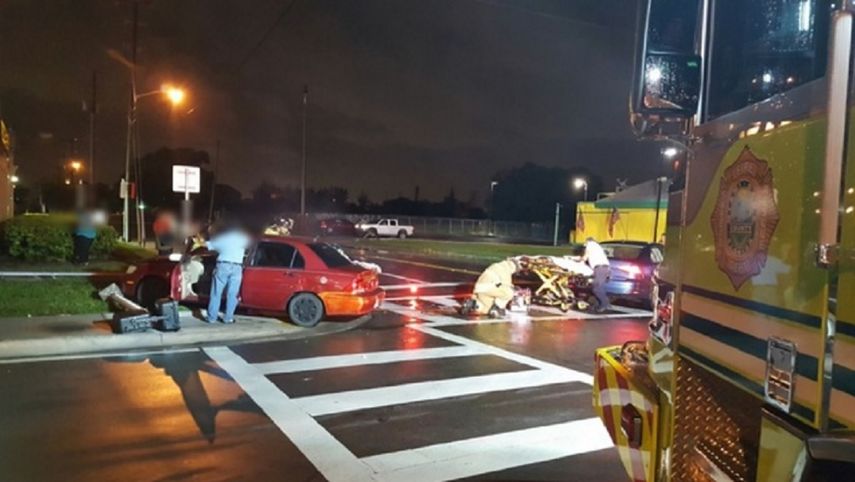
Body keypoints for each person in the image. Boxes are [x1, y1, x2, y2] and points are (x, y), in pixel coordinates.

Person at [202, 220, 251, 324]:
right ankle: (228, 318)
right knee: (232, 294)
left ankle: (212, 318)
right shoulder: (244, 239)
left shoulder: (223, 238)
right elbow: (248, 248)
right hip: (237, 267)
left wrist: (208, 234)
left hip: (223, 265)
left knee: (216, 293)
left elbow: (208, 246)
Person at [582, 237, 611, 312]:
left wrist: (581, 261)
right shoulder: (598, 247)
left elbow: (585, 256)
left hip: (600, 268)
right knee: (599, 287)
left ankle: (605, 305)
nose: (584, 245)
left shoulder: (590, 244)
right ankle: (604, 304)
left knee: (596, 288)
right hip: (605, 268)